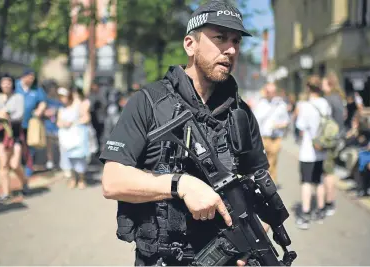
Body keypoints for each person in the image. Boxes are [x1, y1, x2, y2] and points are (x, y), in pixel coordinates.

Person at [100, 1, 270, 265]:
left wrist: (255, 232)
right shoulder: (148, 102)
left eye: (236, 41)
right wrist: (180, 185)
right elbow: (112, 181)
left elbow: (256, 179)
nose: (231, 49)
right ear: (190, 44)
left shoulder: (241, 113)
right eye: (220, 38)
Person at [295, 75, 331, 229]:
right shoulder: (325, 104)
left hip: (308, 151)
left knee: (306, 182)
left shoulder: (306, 105)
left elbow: (300, 127)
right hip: (322, 149)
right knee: (319, 180)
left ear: (308, 87)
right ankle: (321, 210)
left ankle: (305, 213)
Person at [0, 74, 30, 203]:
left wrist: (3, 114)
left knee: (14, 163)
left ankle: (24, 181)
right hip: (0, 135)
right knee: (4, 163)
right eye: (3, 82)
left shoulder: (18, 98)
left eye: (8, 82)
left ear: (12, 84)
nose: (6, 85)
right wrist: (1, 115)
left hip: (15, 134)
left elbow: (19, 115)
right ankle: (6, 192)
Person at [253, 83, 290, 186]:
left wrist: (279, 125)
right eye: (268, 91)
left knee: (272, 161)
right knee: (262, 162)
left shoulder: (280, 104)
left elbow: (286, 120)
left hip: (276, 138)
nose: (271, 94)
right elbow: (254, 121)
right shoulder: (260, 104)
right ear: (265, 92)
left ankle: (271, 182)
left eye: (273, 92)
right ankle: (264, 181)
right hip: (263, 138)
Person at [321, 71, 346, 216]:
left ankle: (329, 203)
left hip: (329, 141)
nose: (322, 86)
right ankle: (328, 201)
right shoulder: (339, 98)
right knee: (330, 172)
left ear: (329, 84)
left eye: (324, 84)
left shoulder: (329, 100)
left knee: (328, 173)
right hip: (337, 139)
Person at [14, 69, 47, 177]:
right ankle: (16, 168)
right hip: (15, 124)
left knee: (30, 148)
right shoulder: (15, 86)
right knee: (15, 148)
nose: (31, 79)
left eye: (33, 77)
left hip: (30, 124)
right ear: (24, 76)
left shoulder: (36, 89)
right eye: (29, 76)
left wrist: (39, 110)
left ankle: (28, 171)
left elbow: (43, 102)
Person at [57, 87, 91, 189]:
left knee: (79, 158)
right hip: (65, 138)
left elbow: (86, 117)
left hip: (77, 136)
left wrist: (74, 123)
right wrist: (63, 123)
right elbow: (58, 122)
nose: (63, 99)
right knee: (67, 159)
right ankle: (72, 178)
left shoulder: (77, 106)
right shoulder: (61, 109)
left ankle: (81, 178)